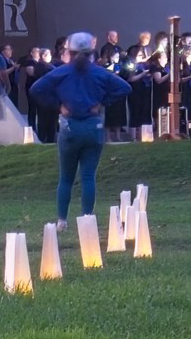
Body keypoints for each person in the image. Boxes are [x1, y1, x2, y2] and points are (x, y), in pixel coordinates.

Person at [31, 32, 133, 221]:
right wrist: (103, 101)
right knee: (88, 176)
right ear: (91, 52)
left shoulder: (61, 72)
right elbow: (125, 88)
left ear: (69, 51)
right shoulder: (100, 72)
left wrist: (58, 105)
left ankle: (62, 219)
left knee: (66, 178)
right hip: (93, 127)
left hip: (69, 128)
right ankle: (87, 218)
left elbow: (36, 88)